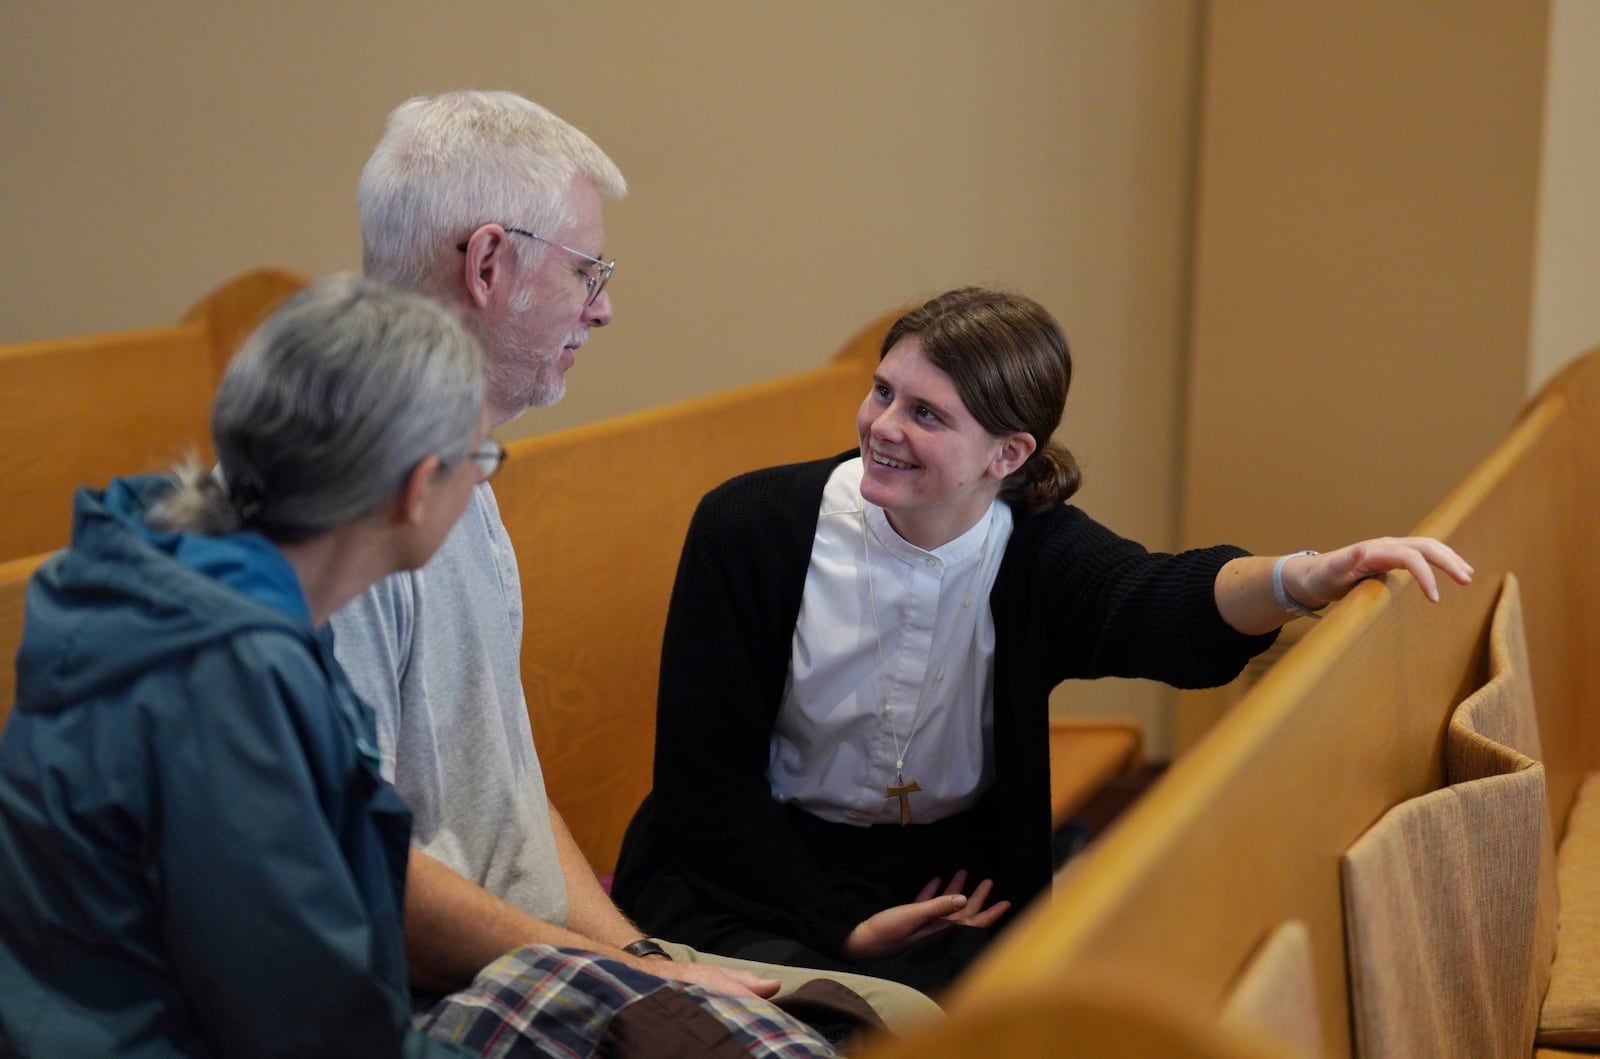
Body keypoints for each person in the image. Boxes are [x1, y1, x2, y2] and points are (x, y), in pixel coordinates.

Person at [610, 285, 1476, 994]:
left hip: (948, 890)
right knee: (807, 1013)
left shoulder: (1036, 548)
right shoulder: (748, 526)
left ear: (1007, 454)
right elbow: (704, 784)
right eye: (882, 391)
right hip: (746, 869)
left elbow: (1161, 599)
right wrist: (839, 921)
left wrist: (1306, 575)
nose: (881, 425)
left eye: (926, 414)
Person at [331, 89, 936, 1044]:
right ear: (489, 262)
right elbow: (356, 875)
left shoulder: (465, 472)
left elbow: (511, 800)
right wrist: (624, 980)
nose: (604, 308)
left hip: (544, 954)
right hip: (428, 997)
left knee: (909, 1018)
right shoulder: (349, 505)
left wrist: (646, 961)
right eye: (586, 270)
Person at [0, 275, 490, 1057]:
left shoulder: (202, 581)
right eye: (479, 456)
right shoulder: (226, 670)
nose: (482, 476)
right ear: (416, 487)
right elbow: (313, 1031)